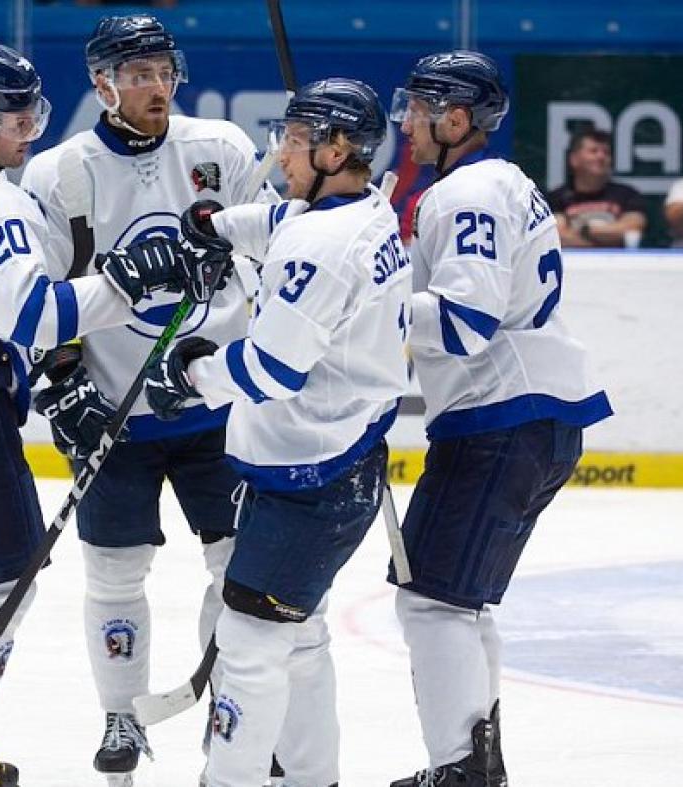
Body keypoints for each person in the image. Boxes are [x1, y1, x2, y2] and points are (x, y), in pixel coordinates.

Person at [0, 41, 211, 787]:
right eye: (16, 118)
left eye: (36, 114)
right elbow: (34, 315)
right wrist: (126, 283)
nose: (30, 130)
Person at [19, 15, 271, 785]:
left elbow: (277, 248)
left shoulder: (222, 150)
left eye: (164, 71)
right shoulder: (61, 174)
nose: (157, 87)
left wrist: (239, 251)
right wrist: (64, 383)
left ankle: (229, 713)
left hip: (215, 404)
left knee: (237, 569)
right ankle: (121, 715)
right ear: (102, 84)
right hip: (116, 411)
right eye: (137, 75)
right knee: (115, 572)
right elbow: (40, 297)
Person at [144, 78, 412, 787]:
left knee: (250, 644)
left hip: (308, 477)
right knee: (299, 638)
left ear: (337, 149)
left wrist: (192, 372)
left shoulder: (322, 244)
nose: (282, 153)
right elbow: (280, 222)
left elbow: (270, 370)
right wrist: (216, 225)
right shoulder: (362, 209)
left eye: (295, 141)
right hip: (337, 458)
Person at [385, 51, 613, 786]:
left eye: (419, 110)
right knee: (461, 604)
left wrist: (364, 304)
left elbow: (465, 322)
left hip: (500, 419)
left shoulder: (467, 194)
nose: (406, 123)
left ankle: (460, 771)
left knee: (433, 604)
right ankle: (474, 765)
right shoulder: (502, 181)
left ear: (456, 119)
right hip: (528, 418)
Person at [546, 129, 647, 248]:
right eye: (593, 151)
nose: (601, 156)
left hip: (617, 259)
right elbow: (558, 236)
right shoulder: (557, 198)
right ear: (574, 159)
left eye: (606, 152)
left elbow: (633, 228)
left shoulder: (627, 195)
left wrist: (585, 230)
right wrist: (607, 239)